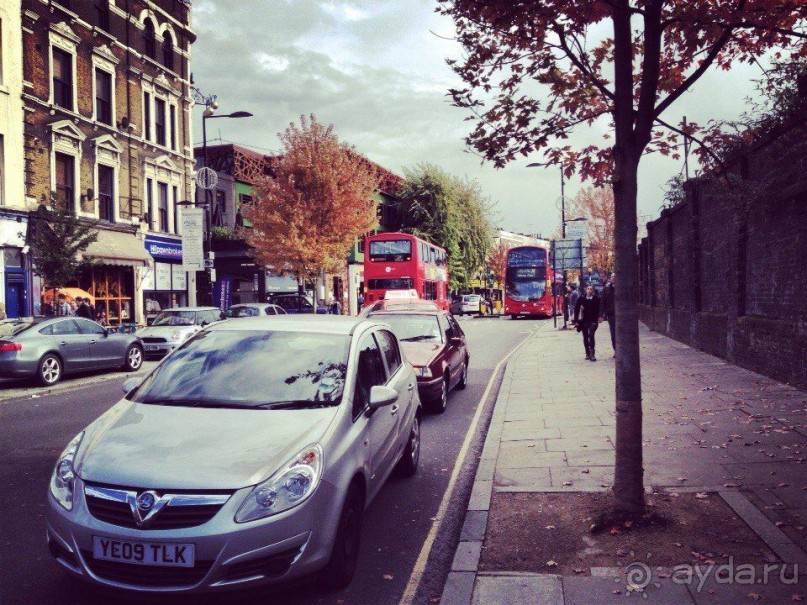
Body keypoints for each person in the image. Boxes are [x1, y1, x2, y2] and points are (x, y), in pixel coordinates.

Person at [574, 284, 601, 361]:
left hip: (593, 320)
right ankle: (587, 353)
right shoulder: (581, 298)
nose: (589, 290)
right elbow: (576, 309)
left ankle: (592, 354)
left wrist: (600, 317)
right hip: (583, 321)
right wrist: (576, 321)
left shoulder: (597, 299)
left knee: (591, 335)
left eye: (591, 289)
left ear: (593, 290)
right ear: (586, 290)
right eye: (588, 289)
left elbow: (600, 309)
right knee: (585, 337)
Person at [600, 273, 616, 355]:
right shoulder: (606, 288)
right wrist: (601, 315)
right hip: (611, 314)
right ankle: (616, 350)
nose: (613, 278)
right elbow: (603, 302)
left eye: (615, 276)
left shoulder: (623, 287)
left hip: (621, 314)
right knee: (613, 333)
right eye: (612, 277)